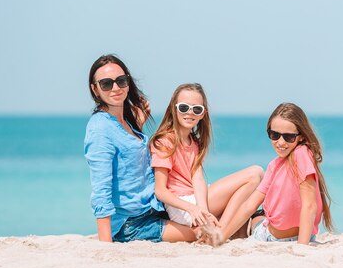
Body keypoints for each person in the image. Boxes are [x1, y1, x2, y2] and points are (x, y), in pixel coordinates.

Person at [84, 54, 260, 243]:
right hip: (132, 223)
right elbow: (101, 189)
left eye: (121, 80)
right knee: (204, 232)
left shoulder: (125, 123)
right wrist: (105, 243)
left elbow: (132, 159)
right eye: (106, 84)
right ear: (95, 89)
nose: (116, 88)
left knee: (227, 216)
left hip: (153, 211)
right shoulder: (100, 128)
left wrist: (137, 128)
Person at [148, 83, 263, 238]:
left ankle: (224, 229)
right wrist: (193, 208)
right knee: (255, 173)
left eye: (196, 109)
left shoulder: (193, 142)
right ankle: (222, 231)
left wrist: (203, 209)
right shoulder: (165, 142)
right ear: (174, 109)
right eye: (183, 107)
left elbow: (198, 179)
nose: (190, 113)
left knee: (250, 191)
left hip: (196, 199)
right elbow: (160, 191)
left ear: (203, 114)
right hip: (182, 205)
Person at [215, 102, 334, 245]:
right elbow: (250, 205)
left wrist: (302, 248)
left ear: (301, 136)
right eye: (274, 135)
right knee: (254, 217)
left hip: (272, 237)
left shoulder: (301, 154)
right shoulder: (275, 165)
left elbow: (310, 206)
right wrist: (221, 238)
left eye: (288, 137)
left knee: (251, 221)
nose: (280, 142)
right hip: (272, 230)